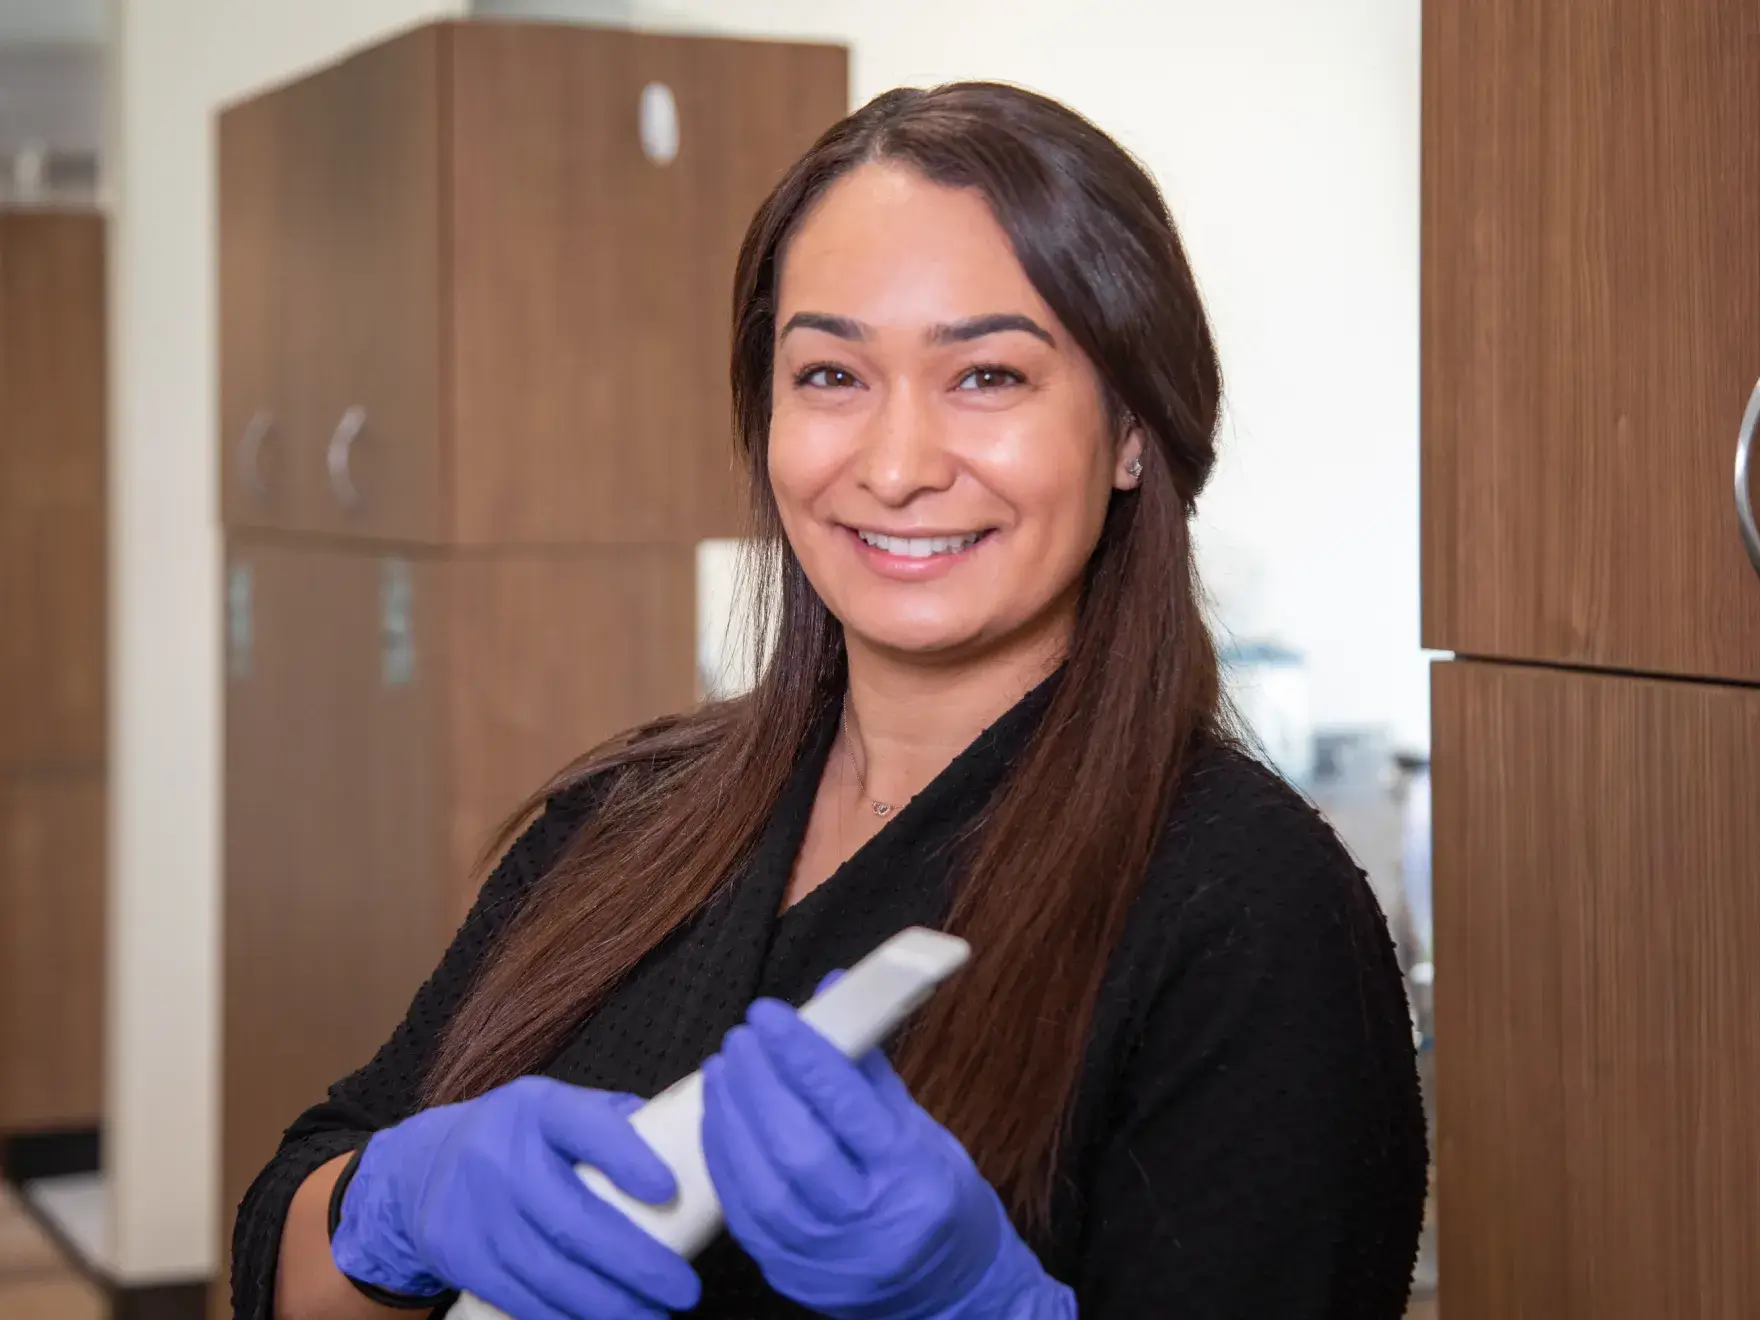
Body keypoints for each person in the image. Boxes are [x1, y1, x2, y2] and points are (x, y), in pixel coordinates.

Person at [235, 82, 1426, 1320]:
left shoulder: (1248, 908)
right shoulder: (626, 819)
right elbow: (289, 1238)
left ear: (1132, 428)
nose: (897, 466)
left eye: (987, 375)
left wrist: (979, 1305)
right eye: (829, 374)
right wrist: (391, 1204)